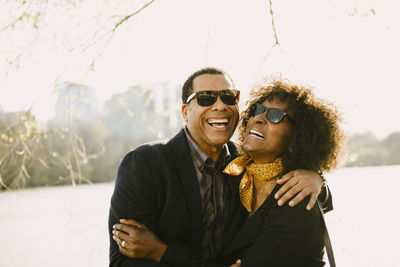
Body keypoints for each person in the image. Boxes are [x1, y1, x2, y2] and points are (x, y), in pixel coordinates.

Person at [109, 68, 331, 267]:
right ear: (186, 112)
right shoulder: (145, 164)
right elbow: (125, 260)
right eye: (205, 98)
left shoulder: (247, 167)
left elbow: (301, 209)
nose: (220, 105)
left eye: (228, 97)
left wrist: (317, 178)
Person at [218, 77, 345, 266]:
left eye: (275, 115)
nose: (258, 118)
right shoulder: (233, 171)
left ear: (298, 137)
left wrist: (163, 251)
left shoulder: (298, 200)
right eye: (257, 110)